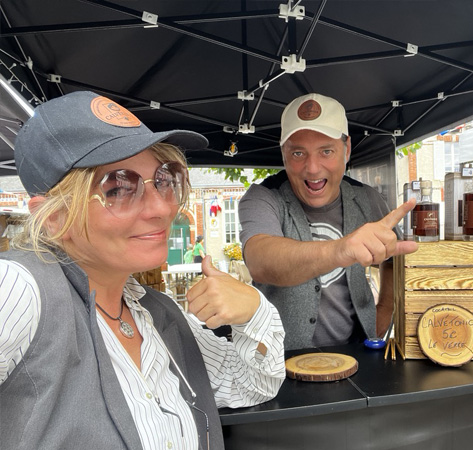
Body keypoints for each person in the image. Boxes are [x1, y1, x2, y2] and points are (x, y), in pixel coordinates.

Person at [0, 91, 285, 450]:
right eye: (119, 187)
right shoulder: (21, 290)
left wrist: (254, 311)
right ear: (55, 217)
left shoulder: (157, 312)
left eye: (164, 179)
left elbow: (251, 384)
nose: (162, 208)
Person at [239, 93, 418, 350]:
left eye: (326, 151)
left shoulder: (368, 199)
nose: (312, 168)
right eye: (298, 153)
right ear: (283, 154)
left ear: (346, 150)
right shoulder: (263, 197)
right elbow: (261, 261)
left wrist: (385, 309)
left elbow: (395, 260)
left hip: (358, 354)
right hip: (280, 363)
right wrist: (341, 249)